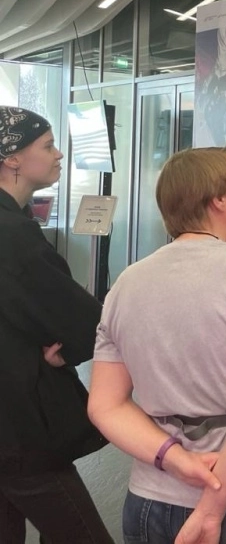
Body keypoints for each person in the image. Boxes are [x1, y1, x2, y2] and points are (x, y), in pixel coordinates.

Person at [88, 146, 226, 544]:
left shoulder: (125, 284)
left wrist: (177, 459)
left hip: (149, 501)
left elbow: (105, 406)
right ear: (218, 198)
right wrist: (210, 510)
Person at [0, 106, 114, 543]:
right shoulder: (14, 235)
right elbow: (82, 319)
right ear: (12, 158)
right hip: (19, 427)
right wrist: (65, 347)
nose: (59, 154)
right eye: (47, 146)